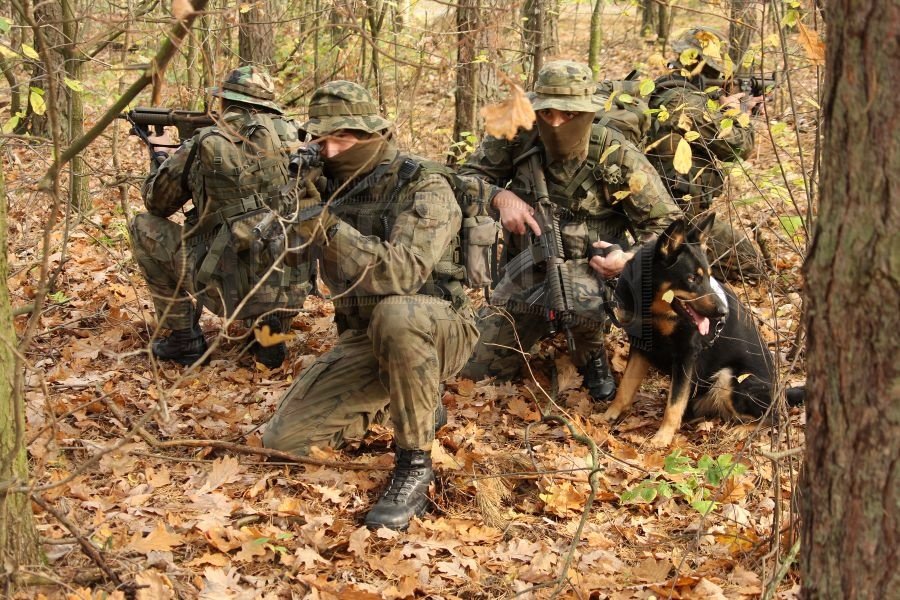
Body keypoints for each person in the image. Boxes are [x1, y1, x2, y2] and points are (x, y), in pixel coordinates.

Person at [262, 81, 480, 531]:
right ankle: (413, 399)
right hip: (365, 336)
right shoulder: (325, 185)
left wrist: (323, 226)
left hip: (440, 325)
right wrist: (289, 211)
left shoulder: (424, 184)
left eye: (344, 138)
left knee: (397, 313)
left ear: (375, 134)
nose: (333, 149)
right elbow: (281, 265)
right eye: (323, 140)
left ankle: (415, 465)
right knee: (283, 442)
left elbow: (404, 272)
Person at [457, 60, 683, 401]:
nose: (557, 123)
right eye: (546, 114)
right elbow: (460, 182)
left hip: (594, 280)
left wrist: (628, 259)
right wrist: (499, 197)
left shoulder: (615, 153)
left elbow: (668, 226)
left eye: (569, 114)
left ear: (588, 112)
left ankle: (592, 355)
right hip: (527, 273)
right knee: (472, 368)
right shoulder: (517, 138)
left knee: (579, 296)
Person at [129, 65, 312, 369]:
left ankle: (184, 339)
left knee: (142, 227)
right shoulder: (300, 138)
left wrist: (159, 158)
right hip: (293, 282)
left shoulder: (206, 143)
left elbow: (157, 204)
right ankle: (268, 333)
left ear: (224, 102)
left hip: (229, 285)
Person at [616, 26, 765, 282]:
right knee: (750, 263)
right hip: (676, 217)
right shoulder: (683, 102)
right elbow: (738, 147)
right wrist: (739, 114)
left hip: (670, 209)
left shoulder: (670, 92)